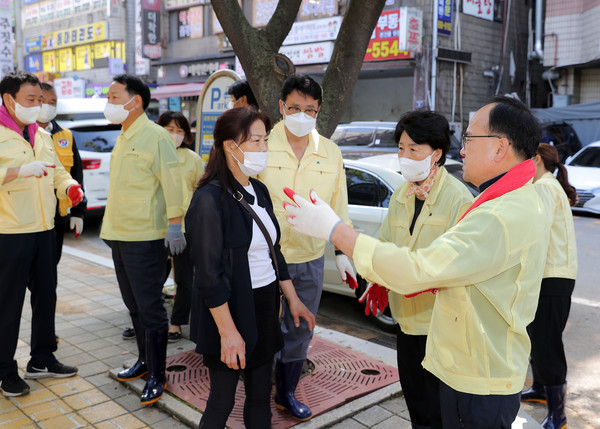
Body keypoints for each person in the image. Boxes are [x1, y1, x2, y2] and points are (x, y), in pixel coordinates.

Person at [283, 96, 550, 428]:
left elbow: (419, 269)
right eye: (401, 148)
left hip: (476, 375)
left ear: (499, 148)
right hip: (453, 351)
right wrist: (378, 278)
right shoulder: (508, 198)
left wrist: (335, 232)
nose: (462, 150)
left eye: (469, 139)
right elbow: (396, 249)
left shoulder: (496, 213)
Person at [186, 107, 315, 428]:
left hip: (264, 307)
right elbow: (208, 276)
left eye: (265, 141)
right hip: (227, 310)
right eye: (256, 141)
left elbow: (274, 252)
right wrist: (228, 333)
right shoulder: (208, 200)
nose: (264, 149)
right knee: (222, 401)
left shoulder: (259, 190)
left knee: (260, 396)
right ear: (230, 146)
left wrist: (293, 298)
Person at [256, 74, 355, 421]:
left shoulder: (330, 152)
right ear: (282, 107)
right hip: (265, 259)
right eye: (295, 107)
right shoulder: (261, 145)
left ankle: (286, 392)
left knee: (301, 328)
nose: (302, 114)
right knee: (262, 327)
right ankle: (257, 393)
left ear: (318, 112)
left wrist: (342, 253)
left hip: (310, 258)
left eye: (310, 110)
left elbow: (338, 205)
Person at [373, 111, 473, 429]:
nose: (404, 156)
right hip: (406, 321)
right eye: (401, 148)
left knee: (440, 409)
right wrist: (374, 276)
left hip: (440, 326)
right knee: (415, 402)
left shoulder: (458, 198)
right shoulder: (401, 195)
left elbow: (462, 264)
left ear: (437, 153)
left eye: (414, 149)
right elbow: (387, 245)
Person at [100, 74, 185, 406]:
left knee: (151, 309)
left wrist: (175, 225)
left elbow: (172, 183)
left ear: (135, 101)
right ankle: (144, 362)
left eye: (113, 95)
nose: (108, 101)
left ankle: (158, 374)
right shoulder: (123, 135)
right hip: (119, 234)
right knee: (133, 306)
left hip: (145, 237)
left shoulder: (156, 136)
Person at [0, 72, 83, 397]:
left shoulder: (42, 134)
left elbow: (57, 171)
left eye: (41, 100)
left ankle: (42, 358)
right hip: (10, 231)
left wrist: (69, 186)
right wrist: (18, 171)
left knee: (46, 295)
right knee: (8, 302)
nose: (38, 106)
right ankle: (5, 370)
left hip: (45, 228)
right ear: (9, 99)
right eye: (31, 100)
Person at [521, 143, 578, 429]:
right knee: (539, 338)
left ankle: (559, 416)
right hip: (556, 275)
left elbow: (536, 235)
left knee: (546, 344)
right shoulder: (550, 185)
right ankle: (542, 390)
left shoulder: (543, 187)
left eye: (527, 159)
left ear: (538, 160)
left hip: (550, 276)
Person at [156, 111, 204, 343]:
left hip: (183, 228)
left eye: (179, 130)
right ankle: (147, 321)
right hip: (152, 226)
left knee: (184, 279)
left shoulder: (193, 159)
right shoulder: (150, 154)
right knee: (152, 278)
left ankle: (176, 323)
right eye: (169, 129)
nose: (174, 134)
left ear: (186, 135)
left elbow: (201, 192)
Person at [37, 83, 87, 262]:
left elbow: (76, 175)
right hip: (30, 216)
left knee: (50, 270)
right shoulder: (21, 134)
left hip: (57, 217)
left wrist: (78, 213)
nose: (48, 106)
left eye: (53, 102)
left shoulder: (66, 136)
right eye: (44, 101)